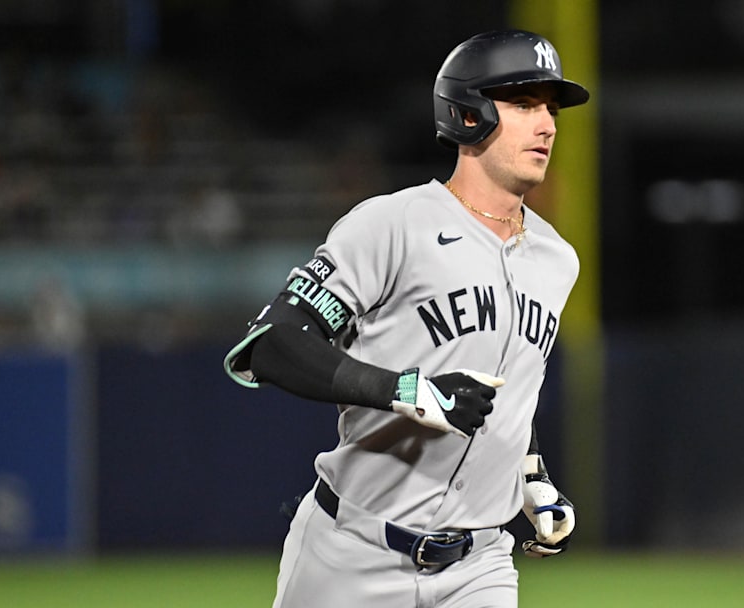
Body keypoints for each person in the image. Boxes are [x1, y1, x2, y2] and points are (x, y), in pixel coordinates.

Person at [224, 29, 590, 608]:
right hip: (351, 553)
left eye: (551, 108)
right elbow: (271, 344)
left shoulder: (557, 261)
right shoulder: (393, 225)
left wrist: (533, 476)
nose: (547, 124)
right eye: (524, 105)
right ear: (469, 113)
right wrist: (405, 390)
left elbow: (508, 387)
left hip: (481, 565)